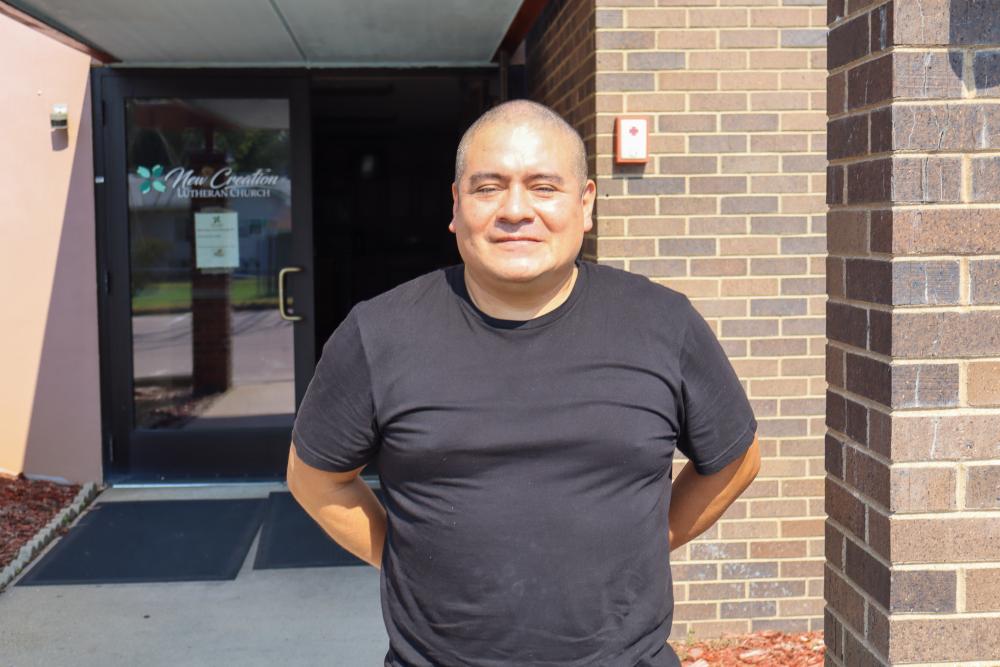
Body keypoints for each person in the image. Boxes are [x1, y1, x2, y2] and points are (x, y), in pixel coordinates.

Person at [286, 99, 760, 667]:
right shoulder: (378, 333)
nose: (516, 210)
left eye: (543, 187)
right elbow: (316, 481)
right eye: (488, 188)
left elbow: (735, 460)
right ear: (456, 206)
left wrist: (644, 546)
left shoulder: (664, 323)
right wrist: (409, 558)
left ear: (585, 204)